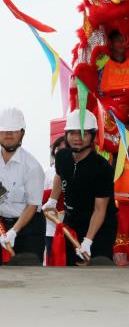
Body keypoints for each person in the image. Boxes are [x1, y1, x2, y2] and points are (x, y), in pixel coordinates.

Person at [43, 110, 117, 264]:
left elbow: (100, 209)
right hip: (72, 224)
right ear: (66, 135)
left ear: (92, 136)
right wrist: (52, 200)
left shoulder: (102, 168)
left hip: (99, 228)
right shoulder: (62, 157)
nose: (77, 138)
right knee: (71, 268)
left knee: (99, 269)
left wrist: (88, 241)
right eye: (73, 133)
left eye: (83, 134)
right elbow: (59, 174)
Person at [0, 107, 45, 265]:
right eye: (4, 131)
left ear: (22, 133)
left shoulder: (32, 167)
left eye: (13, 130)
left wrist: (14, 232)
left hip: (28, 226)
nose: (8, 134)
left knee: (28, 275)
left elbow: (32, 205)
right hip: (0, 224)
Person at [43, 136, 66, 263]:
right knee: (53, 260)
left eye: (64, 148)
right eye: (58, 148)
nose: (61, 151)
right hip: (51, 226)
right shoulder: (47, 172)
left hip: (70, 225)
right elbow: (41, 197)